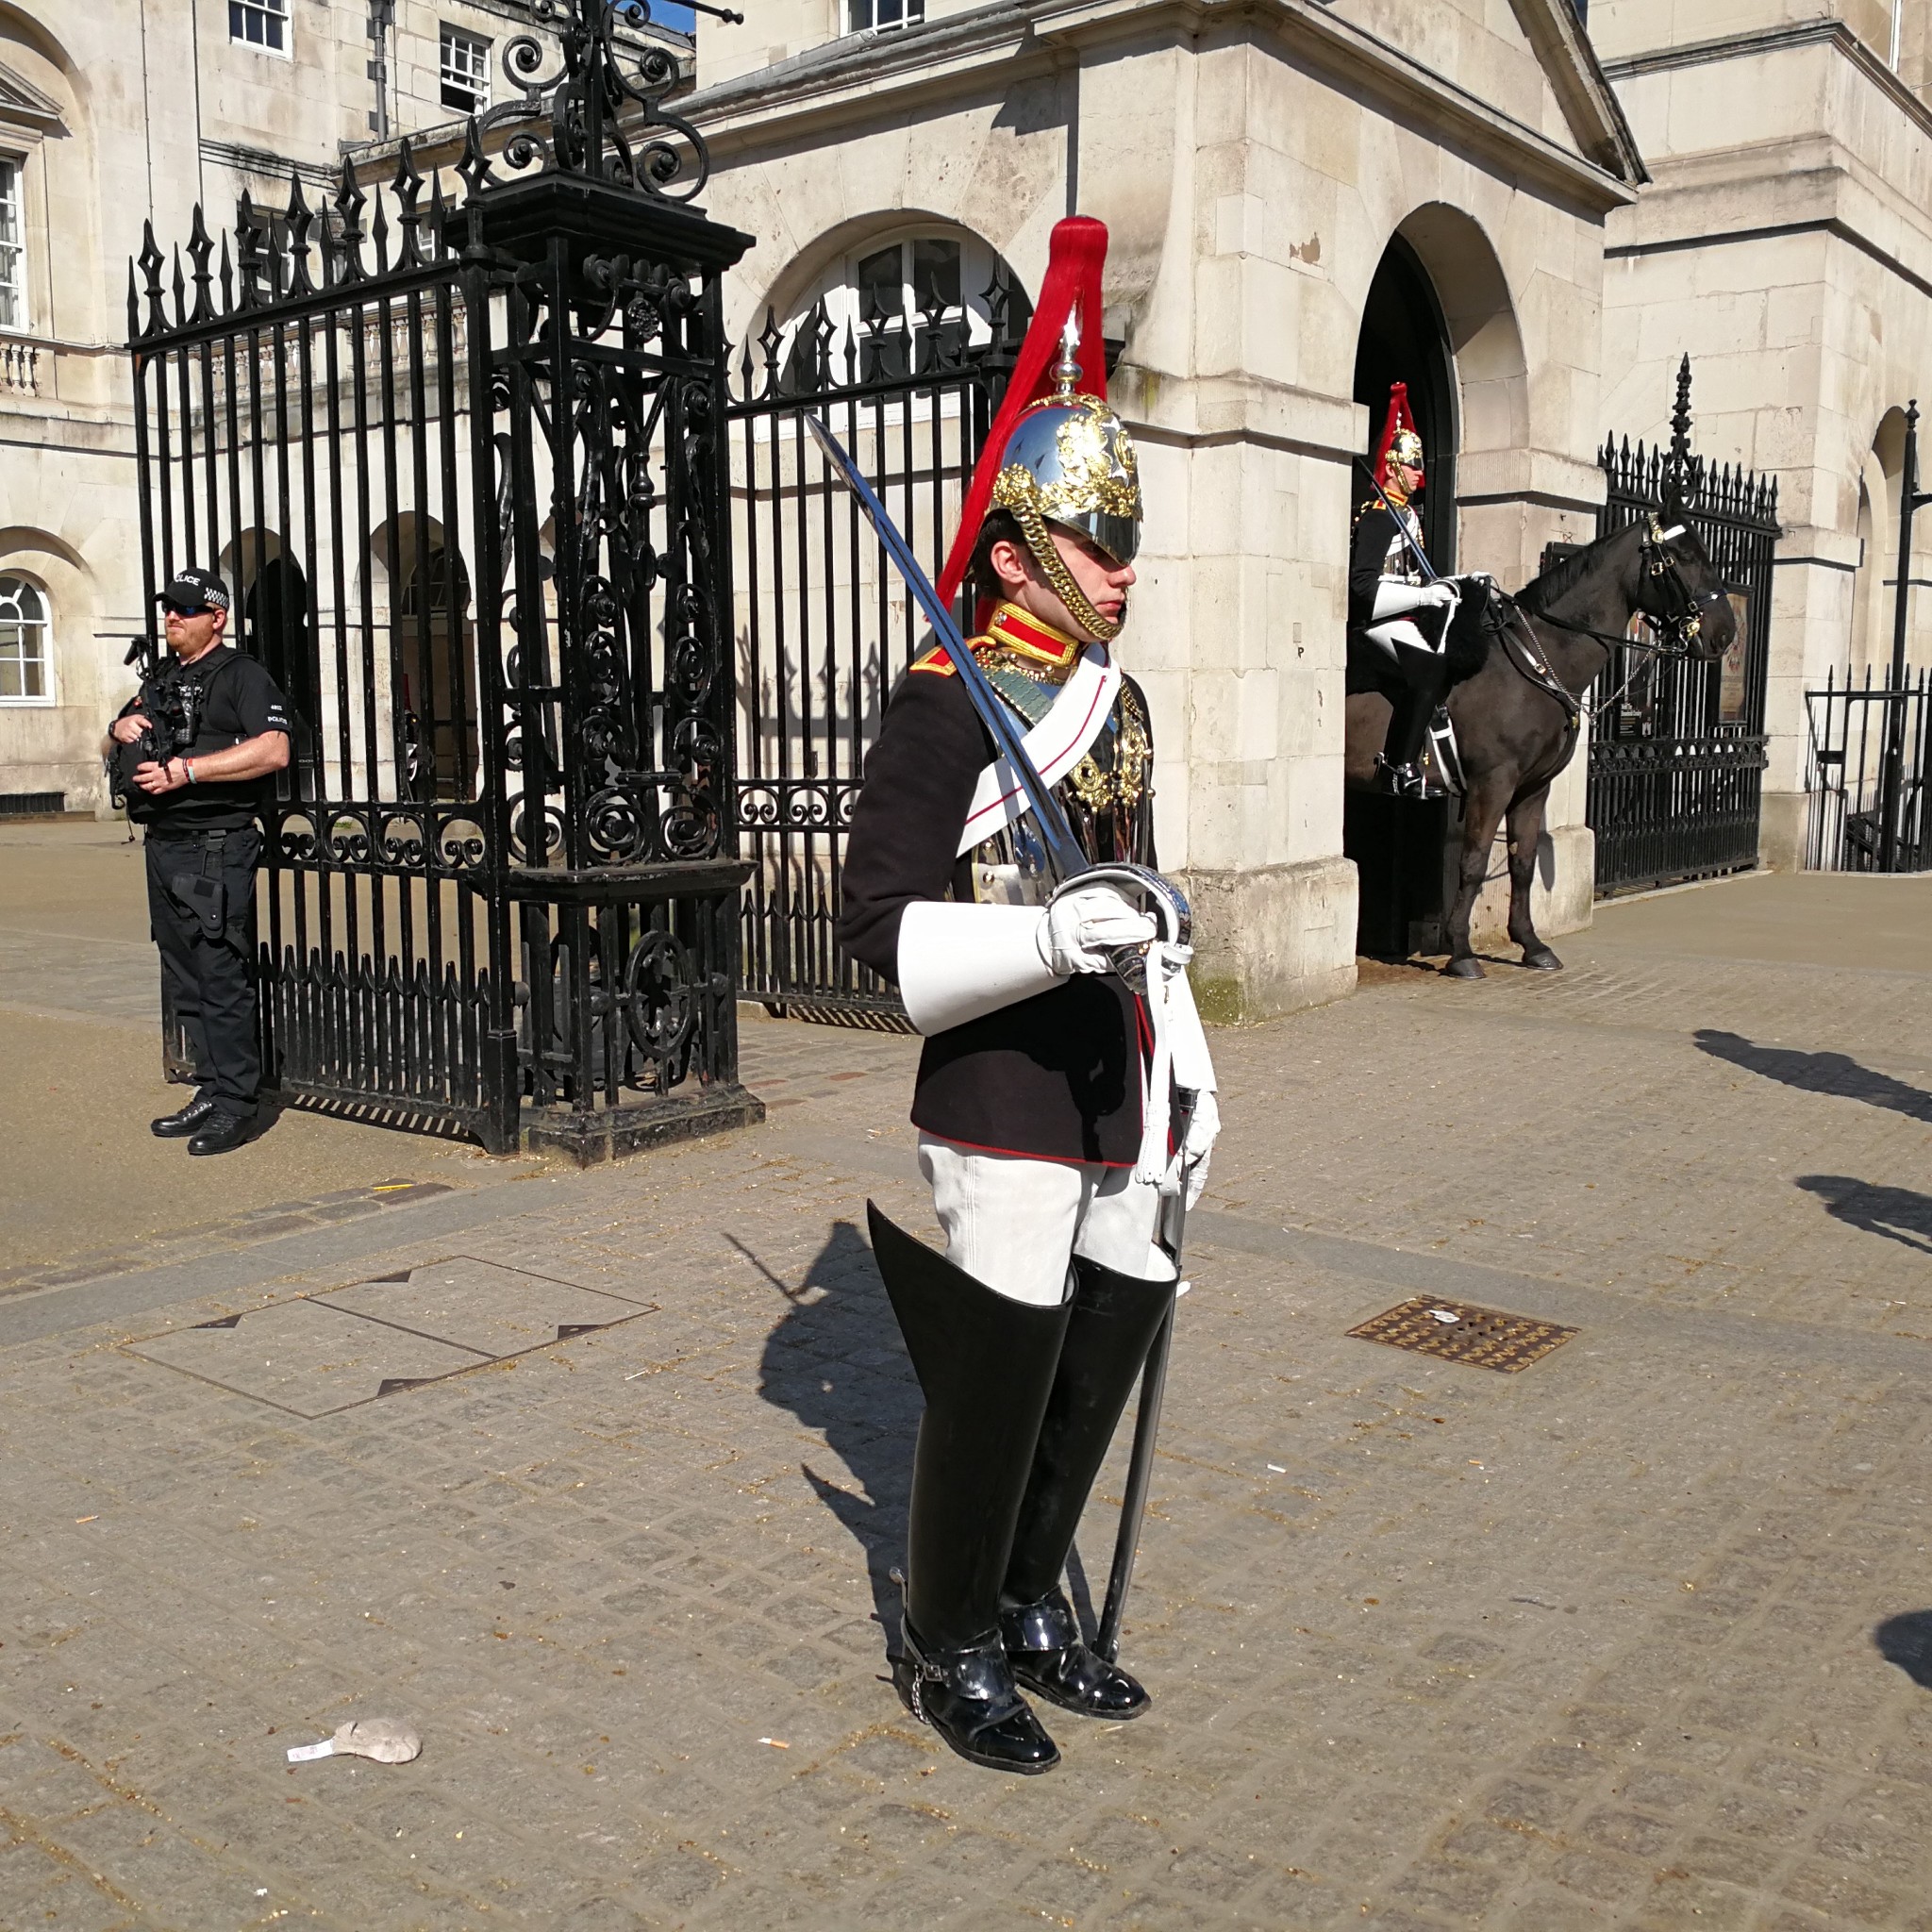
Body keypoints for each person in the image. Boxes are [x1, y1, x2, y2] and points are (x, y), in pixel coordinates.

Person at [838, 216, 1220, 1775]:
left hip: (1119, 1072)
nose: (1120, 572)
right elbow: (875, 929)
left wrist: (1187, 1068)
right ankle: (950, 1633)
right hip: (997, 1078)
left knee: (1109, 1327)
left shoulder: (1109, 703)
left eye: (1126, 544)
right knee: (1003, 1356)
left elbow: (1149, 902)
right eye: (1091, 545)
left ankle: (1025, 1590)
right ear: (1010, 554)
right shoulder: (946, 707)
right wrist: (1058, 942)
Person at [108, 567, 291, 1156]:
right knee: (184, 976)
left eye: (184, 611)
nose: (171, 619)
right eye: (168, 609)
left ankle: (238, 1104)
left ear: (217, 618)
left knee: (220, 974)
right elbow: (116, 737)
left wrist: (188, 770)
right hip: (164, 842)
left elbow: (275, 748)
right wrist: (119, 727)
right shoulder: (162, 678)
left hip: (216, 845)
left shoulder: (243, 675)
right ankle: (211, 1088)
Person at [1349, 384, 1462, 799]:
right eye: (1413, 466)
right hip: (1376, 623)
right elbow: (1362, 587)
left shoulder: (1408, 516)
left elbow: (1411, 577)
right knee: (1430, 670)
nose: (1420, 474)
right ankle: (1400, 766)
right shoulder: (1379, 518)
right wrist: (1423, 597)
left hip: (1406, 616)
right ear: (1394, 467)